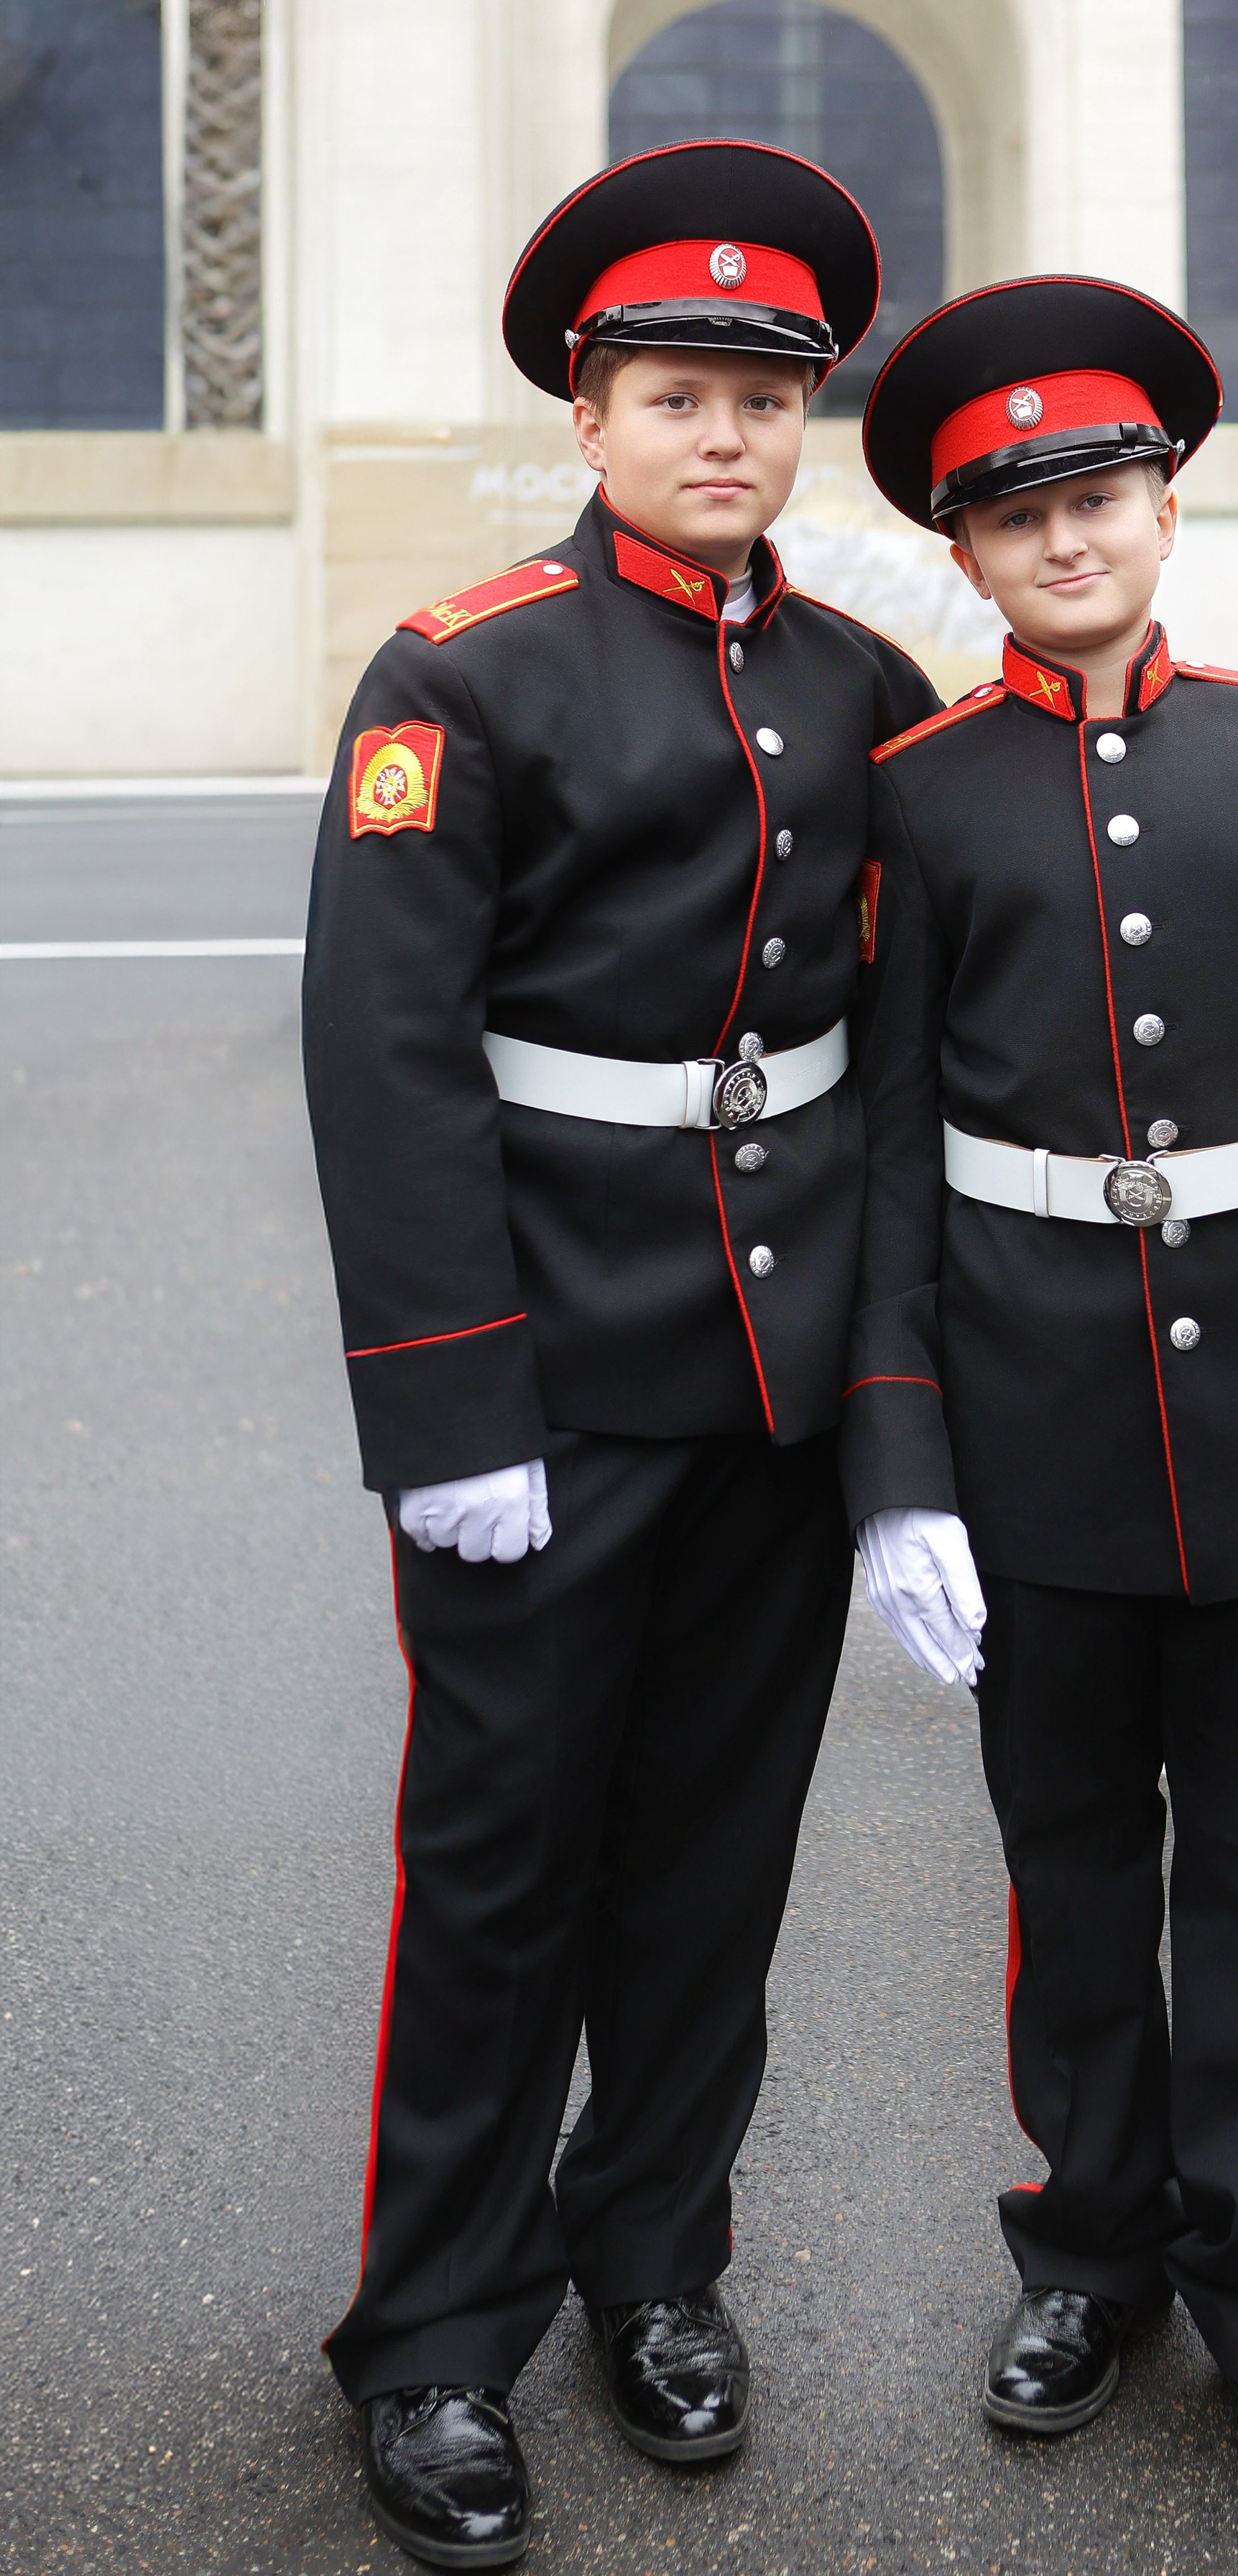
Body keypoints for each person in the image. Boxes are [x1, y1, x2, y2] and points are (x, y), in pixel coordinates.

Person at [300, 140, 937, 2570]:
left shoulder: (860, 686)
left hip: (767, 1395)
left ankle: (654, 2267)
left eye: (763, 403)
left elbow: (879, 1073)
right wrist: (447, 1405)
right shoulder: (463, 672)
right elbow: (387, 1060)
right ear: (589, 413)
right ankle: (438, 2337)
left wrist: (890, 1423)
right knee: (501, 1873)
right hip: (547, 1389)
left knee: (708, 1869)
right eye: (675, 394)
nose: (723, 439)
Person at [844, 276, 1238, 2534]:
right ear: (966, 555)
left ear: (1163, 506)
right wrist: (903, 1470)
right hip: (1034, 1435)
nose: (1067, 537)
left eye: (1100, 492)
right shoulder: (918, 794)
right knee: (1075, 1879)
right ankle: (1094, 2250)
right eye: (1018, 516)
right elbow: (884, 1147)